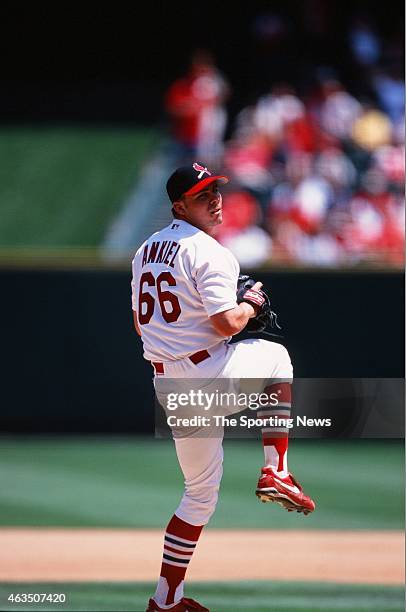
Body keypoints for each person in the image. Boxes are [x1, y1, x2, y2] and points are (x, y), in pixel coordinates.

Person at [131, 161, 315, 612]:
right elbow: (226, 322)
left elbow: (140, 327)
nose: (215, 200)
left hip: (169, 386)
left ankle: (166, 599)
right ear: (179, 206)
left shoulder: (143, 252)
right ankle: (277, 469)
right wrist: (250, 304)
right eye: (202, 196)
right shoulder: (210, 251)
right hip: (206, 373)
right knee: (276, 358)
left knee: (198, 495)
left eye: (216, 191)